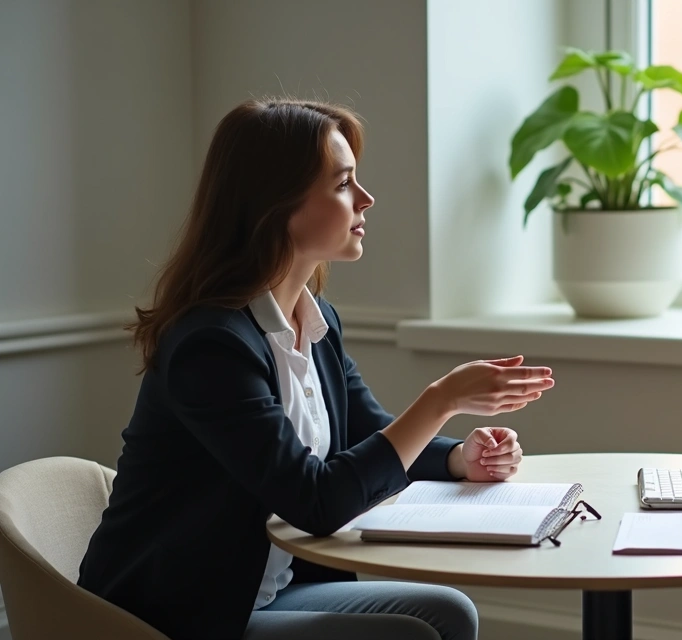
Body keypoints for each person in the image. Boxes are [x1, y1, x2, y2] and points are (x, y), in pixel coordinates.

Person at [77, 98, 555, 640]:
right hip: (183, 614)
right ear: (277, 205)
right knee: (412, 634)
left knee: (449, 611)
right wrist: (442, 398)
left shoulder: (314, 316)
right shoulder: (210, 346)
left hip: (266, 589)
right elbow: (317, 501)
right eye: (344, 184)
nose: (367, 200)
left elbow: (366, 431)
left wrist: (460, 458)